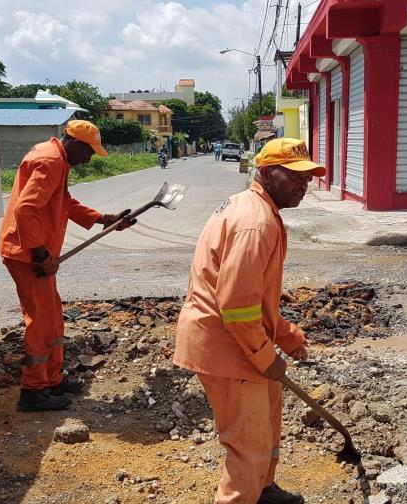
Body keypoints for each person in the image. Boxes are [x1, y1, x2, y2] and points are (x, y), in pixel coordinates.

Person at [174, 138, 324, 504]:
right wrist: (263, 356)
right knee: (247, 443)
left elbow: (256, 298)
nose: (303, 184)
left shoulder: (254, 207)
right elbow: (237, 306)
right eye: (292, 175)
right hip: (227, 347)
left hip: (234, 338)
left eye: (306, 177)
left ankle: (263, 490)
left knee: (268, 421)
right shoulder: (256, 223)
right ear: (266, 174)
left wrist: (286, 335)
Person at [0, 120, 135, 412]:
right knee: (41, 320)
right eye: (88, 152)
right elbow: (26, 209)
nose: (88, 159)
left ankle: (52, 378)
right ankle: (33, 391)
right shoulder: (50, 161)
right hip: (26, 253)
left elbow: (64, 203)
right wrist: (39, 254)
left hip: (31, 251)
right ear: (75, 143)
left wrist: (105, 219)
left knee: (53, 314)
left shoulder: (57, 157)